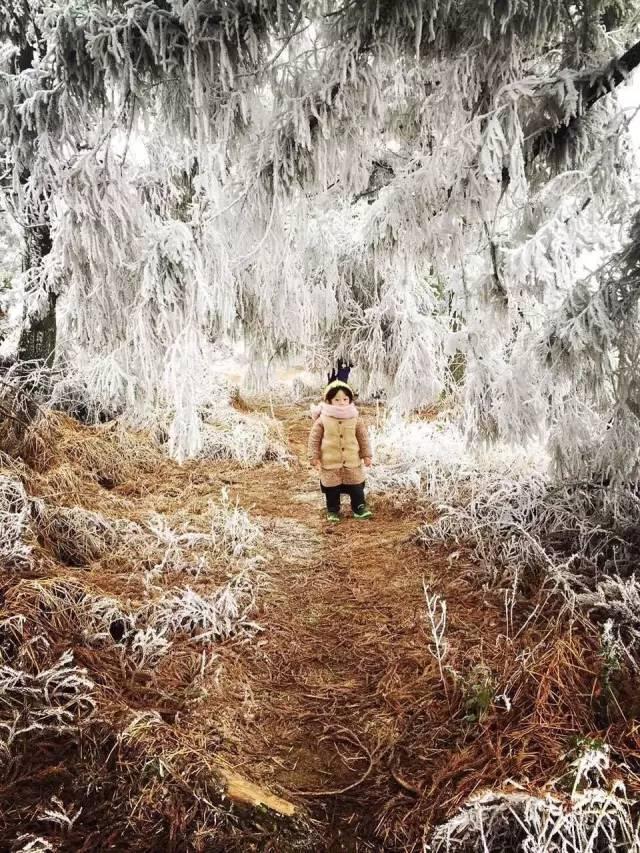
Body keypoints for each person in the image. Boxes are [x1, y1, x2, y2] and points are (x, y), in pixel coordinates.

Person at [308, 380, 373, 523]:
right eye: (337, 400)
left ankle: (359, 508)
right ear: (329, 401)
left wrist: (366, 455)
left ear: (350, 400)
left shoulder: (355, 419)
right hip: (330, 462)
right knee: (332, 489)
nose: (342, 402)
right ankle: (332, 510)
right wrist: (314, 456)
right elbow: (314, 439)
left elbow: (363, 438)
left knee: (356, 487)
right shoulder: (323, 419)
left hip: (352, 461)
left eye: (345, 399)